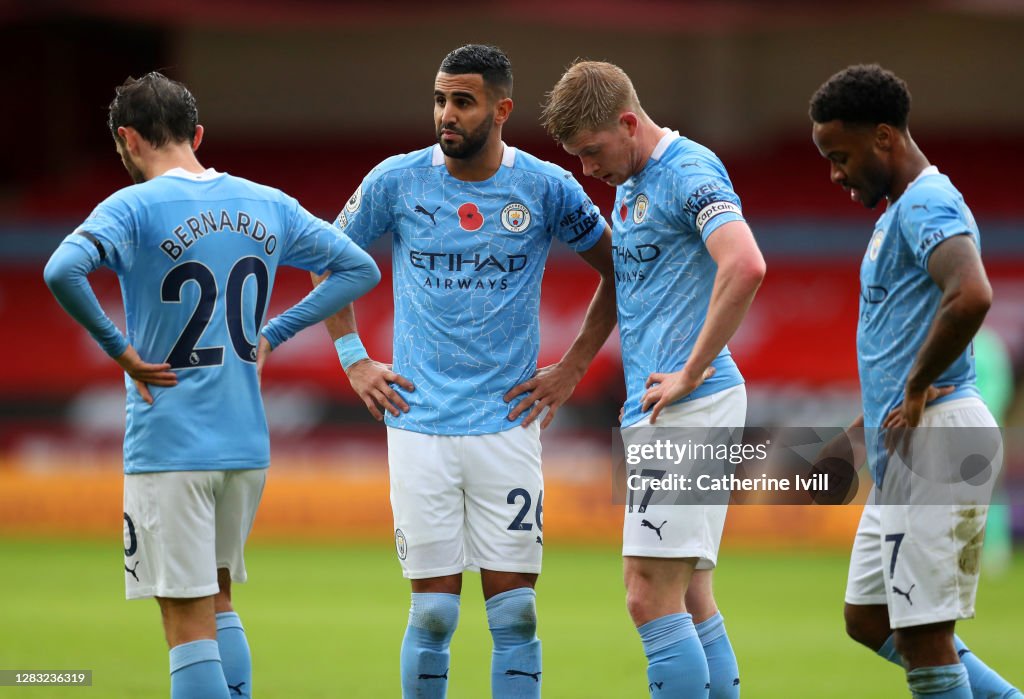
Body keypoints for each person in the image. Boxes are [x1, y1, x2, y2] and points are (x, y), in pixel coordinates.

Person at [43, 72, 380, 699]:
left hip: (170, 443)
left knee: (183, 617)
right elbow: (357, 267)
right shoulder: (267, 202)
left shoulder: (132, 207)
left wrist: (121, 351)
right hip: (245, 444)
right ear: (197, 135)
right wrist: (274, 334)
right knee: (220, 599)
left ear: (127, 140)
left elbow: (62, 269)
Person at [317, 45, 615, 698]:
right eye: (439, 100)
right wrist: (354, 357)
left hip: (507, 423)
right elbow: (326, 256)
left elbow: (620, 269)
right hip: (418, 421)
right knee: (432, 611)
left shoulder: (544, 187)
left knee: (517, 613)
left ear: (502, 110)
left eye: (462, 101)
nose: (445, 115)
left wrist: (571, 367)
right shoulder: (397, 181)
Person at [542, 61, 765, 697]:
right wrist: (576, 365)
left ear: (629, 122)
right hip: (665, 409)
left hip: (689, 405)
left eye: (591, 152)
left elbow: (745, 264)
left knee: (645, 594)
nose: (588, 169)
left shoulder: (686, 172)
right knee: (689, 595)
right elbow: (626, 280)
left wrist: (689, 372)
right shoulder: (635, 179)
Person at [809, 64, 1021, 699]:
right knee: (869, 618)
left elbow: (972, 294)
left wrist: (917, 386)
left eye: (840, 156)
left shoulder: (929, 201)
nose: (835, 173)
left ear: (883, 137)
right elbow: (898, 344)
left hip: (942, 440)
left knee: (926, 634)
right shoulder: (899, 211)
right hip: (910, 442)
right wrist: (856, 432)